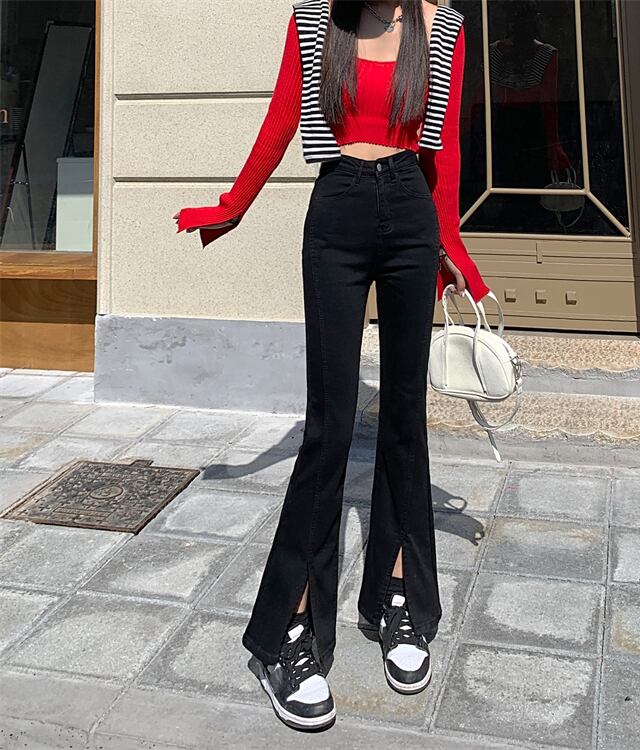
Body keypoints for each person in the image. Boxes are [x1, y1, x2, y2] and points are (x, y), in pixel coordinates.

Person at [173, 0, 489, 732]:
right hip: (338, 212)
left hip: (410, 215)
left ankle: (397, 598)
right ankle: (289, 629)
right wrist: (232, 205)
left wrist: (453, 249)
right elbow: (282, 118)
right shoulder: (318, 21)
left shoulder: (444, 25)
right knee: (329, 430)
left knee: (405, 419)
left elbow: (445, 149)